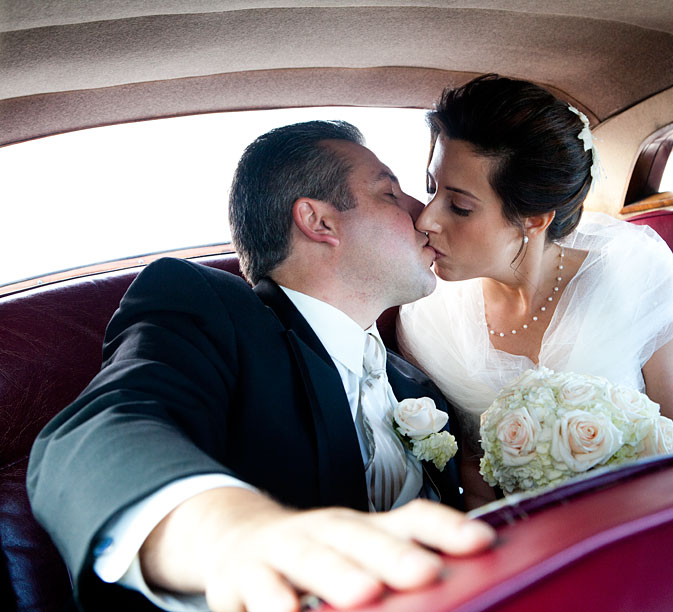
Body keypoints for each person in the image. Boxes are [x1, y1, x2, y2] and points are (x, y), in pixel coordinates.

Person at [27, 121, 495, 612]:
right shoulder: (210, 310)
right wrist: (232, 532)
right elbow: (96, 435)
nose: (424, 217)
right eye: (390, 193)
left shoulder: (416, 385)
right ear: (319, 222)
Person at [397, 75, 673, 508]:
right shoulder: (427, 316)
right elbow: (472, 468)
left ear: (534, 219)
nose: (426, 220)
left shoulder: (632, 272)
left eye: (460, 206)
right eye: (432, 189)